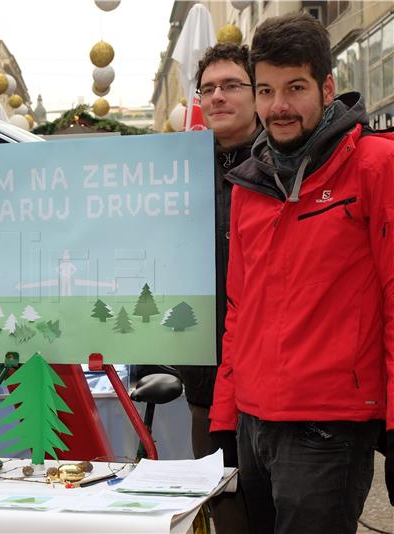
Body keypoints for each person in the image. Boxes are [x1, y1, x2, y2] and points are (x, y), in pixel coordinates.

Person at [209, 12, 394, 534]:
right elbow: (239, 311)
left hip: (328, 426)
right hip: (253, 423)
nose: (278, 107)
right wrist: (225, 418)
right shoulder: (250, 184)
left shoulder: (376, 167)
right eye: (266, 90)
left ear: (327, 86)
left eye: (295, 88)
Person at [176, 42, 260, 534]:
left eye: (231, 85)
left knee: (276, 506)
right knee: (223, 502)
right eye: (208, 88)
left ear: (257, 93)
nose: (217, 97)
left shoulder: (283, 165)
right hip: (206, 375)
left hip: (275, 380)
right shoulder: (179, 171)